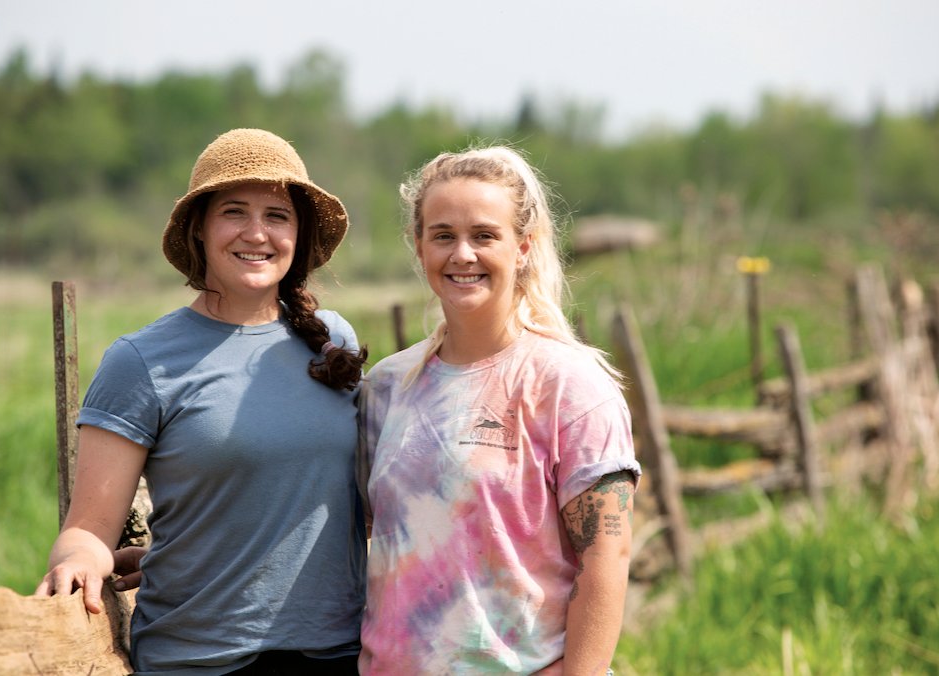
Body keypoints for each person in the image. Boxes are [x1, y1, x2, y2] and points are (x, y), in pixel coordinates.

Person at [35, 128, 368, 675]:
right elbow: (88, 529)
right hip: (199, 659)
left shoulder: (333, 342)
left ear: (298, 233)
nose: (257, 233)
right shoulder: (141, 361)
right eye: (234, 211)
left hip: (337, 652)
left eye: (278, 215)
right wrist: (78, 562)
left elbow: (345, 499)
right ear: (199, 229)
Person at [356, 146, 641, 674]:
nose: (462, 254)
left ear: (524, 246)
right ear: (419, 248)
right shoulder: (386, 387)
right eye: (443, 235)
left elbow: (606, 562)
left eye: (484, 235)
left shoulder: (569, 386)